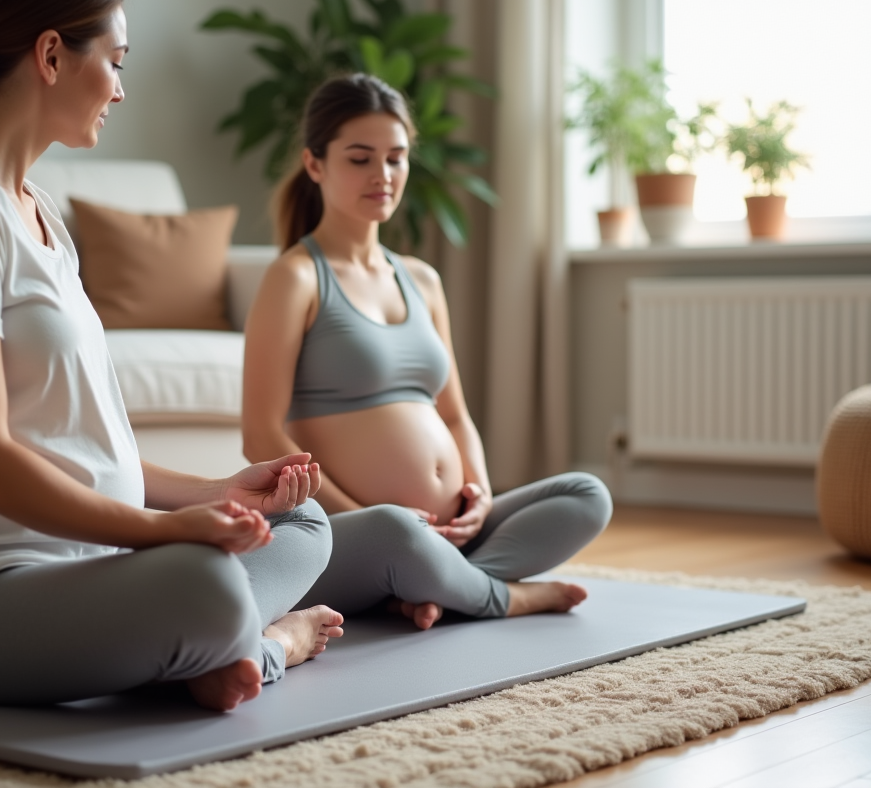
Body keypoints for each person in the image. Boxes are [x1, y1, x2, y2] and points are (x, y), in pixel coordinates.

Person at [0, 0, 342, 712]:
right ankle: (260, 646)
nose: (121, 87)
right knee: (200, 583)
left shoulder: (38, 211)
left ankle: (204, 645)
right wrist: (161, 532)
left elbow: (85, 449)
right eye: (114, 61)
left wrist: (220, 493)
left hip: (84, 571)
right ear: (50, 56)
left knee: (302, 522)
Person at [242, 74, 613, 631]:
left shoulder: (423, 280)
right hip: (360, 530)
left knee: (588, 494)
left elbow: (455, 414)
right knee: (396, 531)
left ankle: (437, 584)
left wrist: (480, 495)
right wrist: (358, 514)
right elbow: (260, 434)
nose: (383, 176)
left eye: (396, 158)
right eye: (361, 159)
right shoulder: (296, 277)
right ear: (315, 164)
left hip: (446, 529)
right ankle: (500, 595)